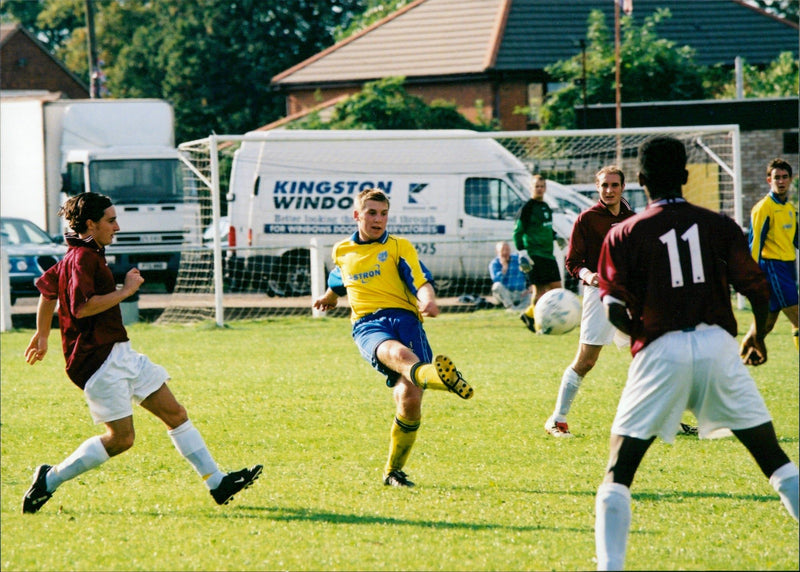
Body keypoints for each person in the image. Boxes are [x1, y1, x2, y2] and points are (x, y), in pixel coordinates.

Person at [593, 137, 798, 570]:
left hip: (659, 348)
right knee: (773, 458)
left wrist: (639, 340)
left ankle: (609, 567)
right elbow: (757, 289)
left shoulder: (622, 233)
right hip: (718, 347)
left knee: (619, 471)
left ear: (641, 181)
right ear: (686, 178)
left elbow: (611, 307)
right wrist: (758, 335)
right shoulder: (719, 224)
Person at [22, 192, 261, 514]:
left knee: (175, 414)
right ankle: (49, 479)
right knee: (121, 439)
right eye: (111, 220)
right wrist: (126, 291)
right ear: (90, 224)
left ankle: (217, 483)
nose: (117, 226)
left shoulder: (80, 254)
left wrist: (41, 334)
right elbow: (81, 308)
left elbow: (47, 292)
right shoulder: (82, 258)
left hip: (119, 352)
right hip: (96, 361)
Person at [313, 188, 474, 488]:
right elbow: (339, 278)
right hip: (368, 324)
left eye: (383, 213)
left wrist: (428, 300)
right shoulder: (343, 250)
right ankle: (444, 379)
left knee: (409, 397)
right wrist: (329, 297)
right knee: (399, 356)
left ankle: (393, 471)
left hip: (406, 320)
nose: (378, 220)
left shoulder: (400, 246)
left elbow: (419, 279)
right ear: (357, 215)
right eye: (372, 213)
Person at [544, 166, 635, 438]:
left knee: (653, 354)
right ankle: (556, 420)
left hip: (631, 295)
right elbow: (573, 262)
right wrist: (590, 276)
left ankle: (668, 418)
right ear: (597, 188)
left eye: (614, 185)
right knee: (586, 361)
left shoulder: (632, 219)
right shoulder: (587, 219)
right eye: (604, 185)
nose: (609, 190)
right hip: (601, 295)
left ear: (623, 187)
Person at [740, 158, 799, 354]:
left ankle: (739, 356)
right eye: (776, 178)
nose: (780, 182)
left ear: (791, 179)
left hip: (788, 269)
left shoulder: (789, 209)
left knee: (766, 325)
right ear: (768, 180)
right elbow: (754, 245)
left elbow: (796, 240)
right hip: (774, 269)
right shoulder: (763, 208)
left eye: (784, 177)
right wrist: (751, 277)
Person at [514, 174, 563, 332]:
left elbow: (545, 227)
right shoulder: (527, 207)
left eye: (542, 186)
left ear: (545, 188)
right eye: (536, 186)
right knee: (539, 291)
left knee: (556, 288)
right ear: (531, 188)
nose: (540, 189)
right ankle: (538, 323)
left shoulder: (546, 207)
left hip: (548, 255)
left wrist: (557, 237)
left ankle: (529, 314)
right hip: (534, 255)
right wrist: (522, 253)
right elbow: (517, 232)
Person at [489, 241, 530, 311]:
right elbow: (496, 280)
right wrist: (504, 268)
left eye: (507, 250)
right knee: (496, 286)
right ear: (497, 252)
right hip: (506, 294)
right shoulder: (494, 264)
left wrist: (530, 286)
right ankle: (510, 307)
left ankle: (519, 309)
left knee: (534, 293)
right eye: (502, 250)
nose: (505, 252)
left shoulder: (517, 259)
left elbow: (528, 272)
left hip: (521, 293)